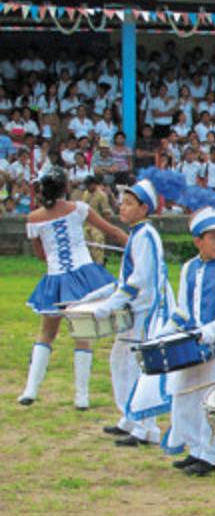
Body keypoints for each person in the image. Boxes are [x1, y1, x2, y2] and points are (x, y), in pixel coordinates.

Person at [20, 166, 127, 409]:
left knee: (46, 334)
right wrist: (138, 243)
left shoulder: (34, 218)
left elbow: (40, 254)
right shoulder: (79, 209)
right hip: (84, 276)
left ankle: (30, 390)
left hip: (56, 277)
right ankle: (82, 397)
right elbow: (112, 231)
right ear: (65, 187)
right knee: (82, 334)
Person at [93, 169, 183, 447]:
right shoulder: (138, 234)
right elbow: (126, 278)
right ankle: (130, 418)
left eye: (130, 203)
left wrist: (111, 305)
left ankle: (146, 428)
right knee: (120, 360)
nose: (123, 206)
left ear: (144, 208)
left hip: (148, 311)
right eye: (123, 201)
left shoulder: (145, 235)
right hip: (139, 309)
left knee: (138, 366)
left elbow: (140, 279)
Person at [159, 188, 215, 476]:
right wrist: (166, 331)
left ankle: (210, 454)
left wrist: (211, 331)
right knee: (184, 392)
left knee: (211, 396)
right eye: (213, 237)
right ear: (198, 241)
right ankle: (194, 446)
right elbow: (183, 308)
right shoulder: (188, 268)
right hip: (192, 342)